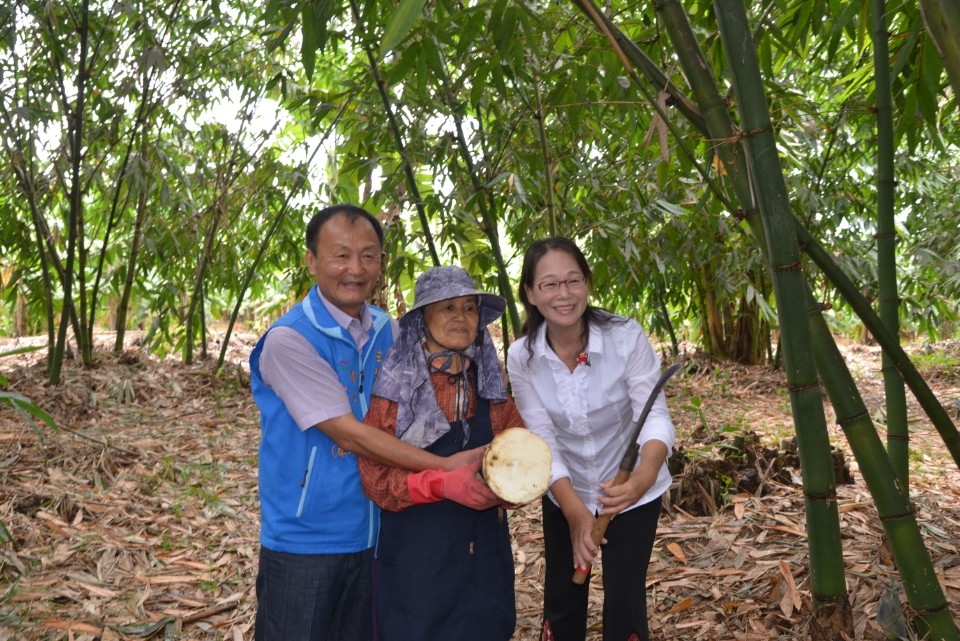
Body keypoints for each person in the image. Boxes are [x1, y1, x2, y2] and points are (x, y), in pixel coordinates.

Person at [249, 205, 480, 641]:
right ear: (312, 261)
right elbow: (349, 433)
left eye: (368, 256)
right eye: (340, 256)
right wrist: (447, 468)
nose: (355, 269)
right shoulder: (289, 339)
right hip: (307, 538)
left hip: (379, 529)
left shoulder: (388, 330)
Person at [506, 238, 676, 641]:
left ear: (587, 283)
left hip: (634, 487)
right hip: (565, 487)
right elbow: (541, 437)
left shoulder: (624, 337)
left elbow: (654, 415)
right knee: (564, 597)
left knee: (624, 601)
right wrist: (575, 512)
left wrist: (644, 478)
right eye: (549, 284)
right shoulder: (522, 356)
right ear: (530, 293)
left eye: (573, 280)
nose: (563, 294)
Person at [358, 265, 525, 641]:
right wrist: (440, 484)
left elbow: (522, 458)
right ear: (422, 320)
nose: (461, 317)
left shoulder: (491, 389)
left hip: (484, 558)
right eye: (447, 307)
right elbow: (374, 477)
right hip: (418, 563)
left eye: (468, 308)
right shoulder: (396, 391)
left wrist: (505, 490)